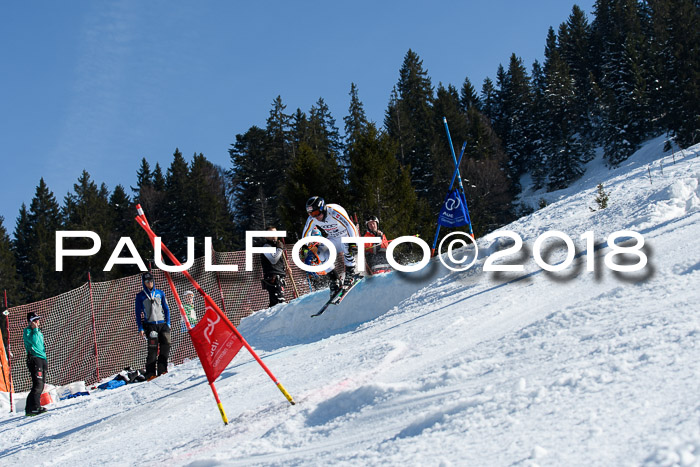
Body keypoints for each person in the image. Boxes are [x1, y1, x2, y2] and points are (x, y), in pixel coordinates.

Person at [302, 196, 361, 297]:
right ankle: (334, 279)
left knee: (346, 243)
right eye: (311, 214)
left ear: (322, 209)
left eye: (316, 213)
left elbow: (350, 225)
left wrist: (353, 242)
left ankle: (350, 272)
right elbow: (306, 233)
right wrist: (305, 247)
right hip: (334, 239)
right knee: (319, 252)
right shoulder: (312, 218)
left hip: (347, 236)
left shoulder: (333, 212)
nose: (315, 216)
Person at [135, 272, 171, 380]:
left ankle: (162, 369)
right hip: (150, 325)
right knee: (152, 349)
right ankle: (150, 373)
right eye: (147, 281)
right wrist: (140, 327)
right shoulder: (140, 296)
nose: (149, 283)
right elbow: (137, 313)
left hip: (162, 323)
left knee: (166, 345)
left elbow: (166, 308)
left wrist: (168, 322)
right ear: (143, 282)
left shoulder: (160, 293)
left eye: (151, 281)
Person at [23, 312, 48, 416]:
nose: (38, 322)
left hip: (42, 358)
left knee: (41, 385)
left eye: (38, 319)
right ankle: (34, 407)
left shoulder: (38, 331)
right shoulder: (28, 331)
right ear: (31, 322)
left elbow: (40, 345)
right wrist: (35, 329)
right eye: (35, 320)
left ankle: (30, 408)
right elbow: (34, 342)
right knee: (37, 384)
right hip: (34, 359)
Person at [259, 227, 286, 307]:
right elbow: (273, 259)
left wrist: (285, 269)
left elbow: (278, 261)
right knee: (278, 301)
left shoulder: (276, 246)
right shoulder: (266, 246)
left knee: (277, 300)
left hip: (279, 275)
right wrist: (280, 249)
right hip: (273, 277)